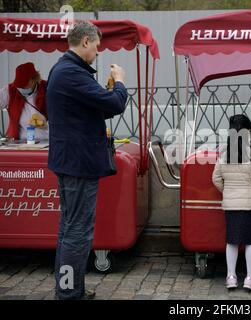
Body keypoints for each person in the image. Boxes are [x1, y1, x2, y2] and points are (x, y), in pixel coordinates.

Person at [46, 21, 127, 300]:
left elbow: (90, 111)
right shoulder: (72, 73)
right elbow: (116, 105)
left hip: (71, 162)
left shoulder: (65, 69)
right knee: (77, 230)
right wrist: (119, 83)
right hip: (78, 164)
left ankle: (69, 288)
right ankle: (69, 294)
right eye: (96, 45)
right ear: (84, 42)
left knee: (70, 227)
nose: (98, 50)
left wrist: (103, 93)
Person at [212, 114, 251, 291]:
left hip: (231, 205)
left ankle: (231, 277)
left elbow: (216, 178)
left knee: (232, 240)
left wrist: (228, 193)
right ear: (248, 133)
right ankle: (250, 278)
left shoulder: (224, 155)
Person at [0, 62, 49, 141]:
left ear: (34, 80)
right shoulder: (10, 90)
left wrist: (46, 125)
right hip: (19, 141)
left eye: (23, 85)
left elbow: (61, 113)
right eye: (19, 85)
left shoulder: (47, 88)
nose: (20, 88)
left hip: (46, 140)